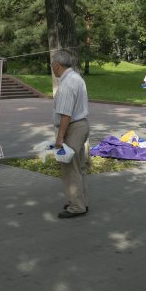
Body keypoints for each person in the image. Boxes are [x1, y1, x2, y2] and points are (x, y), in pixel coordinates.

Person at [51, 50, 90, 219]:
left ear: (57, 66)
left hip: (73, 128)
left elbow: (66, 114)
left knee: (70, 168)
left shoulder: (67, 84)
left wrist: (60, 137)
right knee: (78, 167)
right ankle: (79, 201)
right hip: (81, 126)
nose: (52, 68)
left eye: (52, 65)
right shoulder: (76, 78)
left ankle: (76, 207)